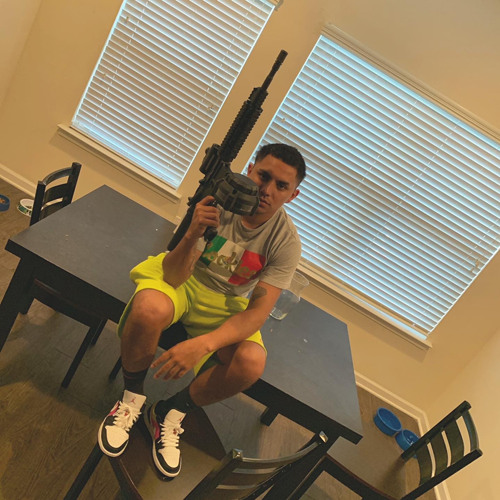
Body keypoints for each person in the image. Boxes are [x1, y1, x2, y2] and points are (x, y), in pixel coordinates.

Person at [98, 143, 306, 478]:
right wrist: (193, 232)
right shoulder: (218, 202)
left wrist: (203, 345)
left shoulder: (286, 242)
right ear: (250, 169)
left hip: (227, 301)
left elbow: (257, 312)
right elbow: (173, 275)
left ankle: (169, 412)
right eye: (263, 176)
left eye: (281, 186)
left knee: (251, 363)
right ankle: (131, 398)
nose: (267, 190)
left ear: (292, 195)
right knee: (150, 308)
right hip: (186, 277)